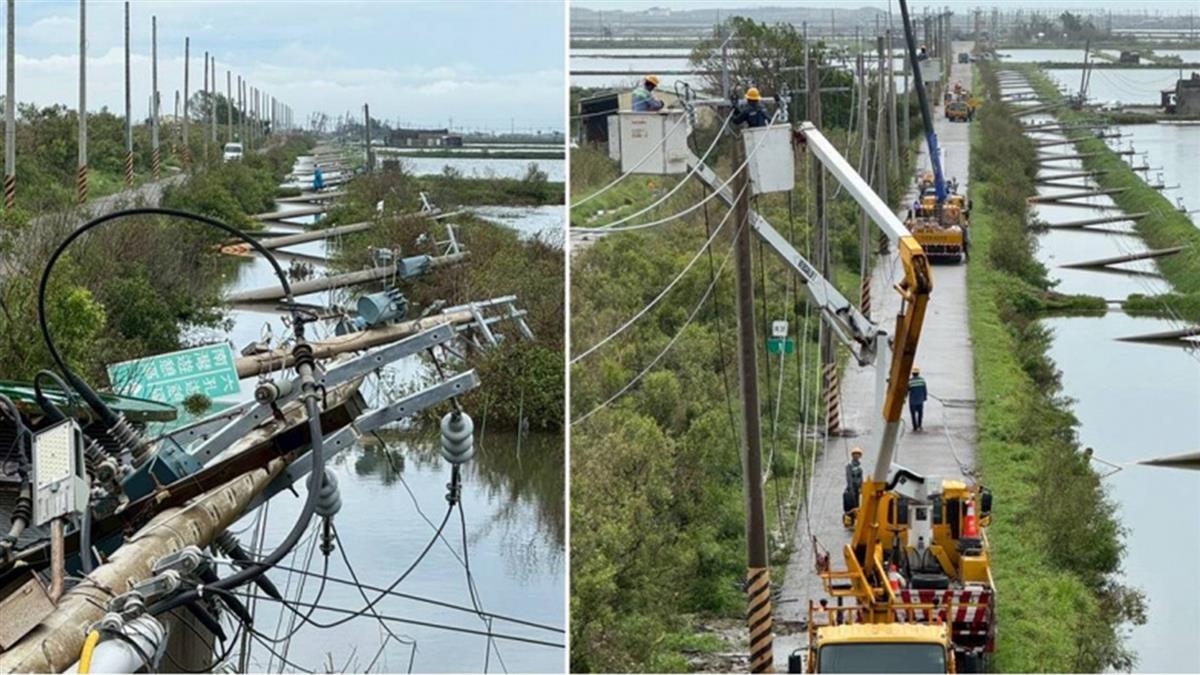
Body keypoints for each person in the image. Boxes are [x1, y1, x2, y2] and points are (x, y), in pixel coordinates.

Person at [844, 447, 864, 513]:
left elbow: (861, 478)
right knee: (852, 504)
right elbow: (849, 478)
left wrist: (862, 487)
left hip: (857, 488)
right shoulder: (849, 466)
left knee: (857, 504)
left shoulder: (860, 467)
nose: (856, 455)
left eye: (858, 454)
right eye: (855, 454)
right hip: (852, 488)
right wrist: (851, 489)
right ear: (852, 455)